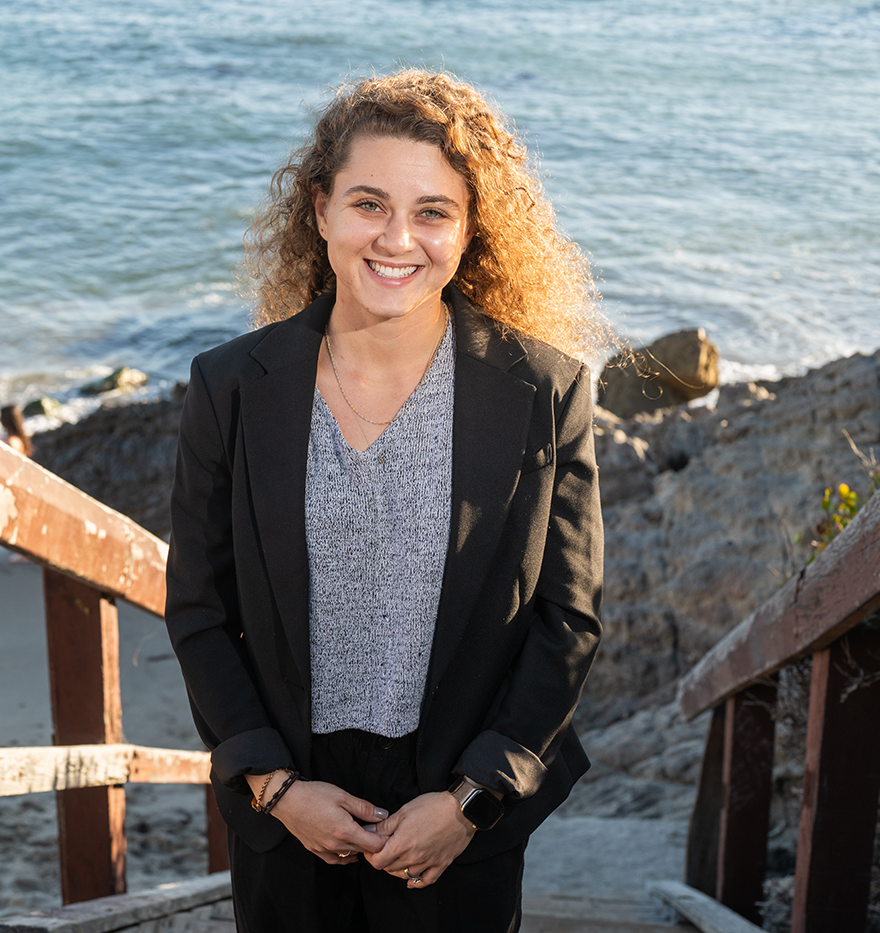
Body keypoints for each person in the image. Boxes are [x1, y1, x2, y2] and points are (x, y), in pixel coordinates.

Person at [165, 69, 607, 932]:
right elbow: (199, 612)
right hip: (291, 808)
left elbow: (568, 620)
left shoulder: (545, 392)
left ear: (470, 228)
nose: (397, 238)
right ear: (321, 208)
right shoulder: (230, 387)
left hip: (457, 812)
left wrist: (472, 800)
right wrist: (275, 786)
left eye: (432, 211)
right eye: (369, 203)